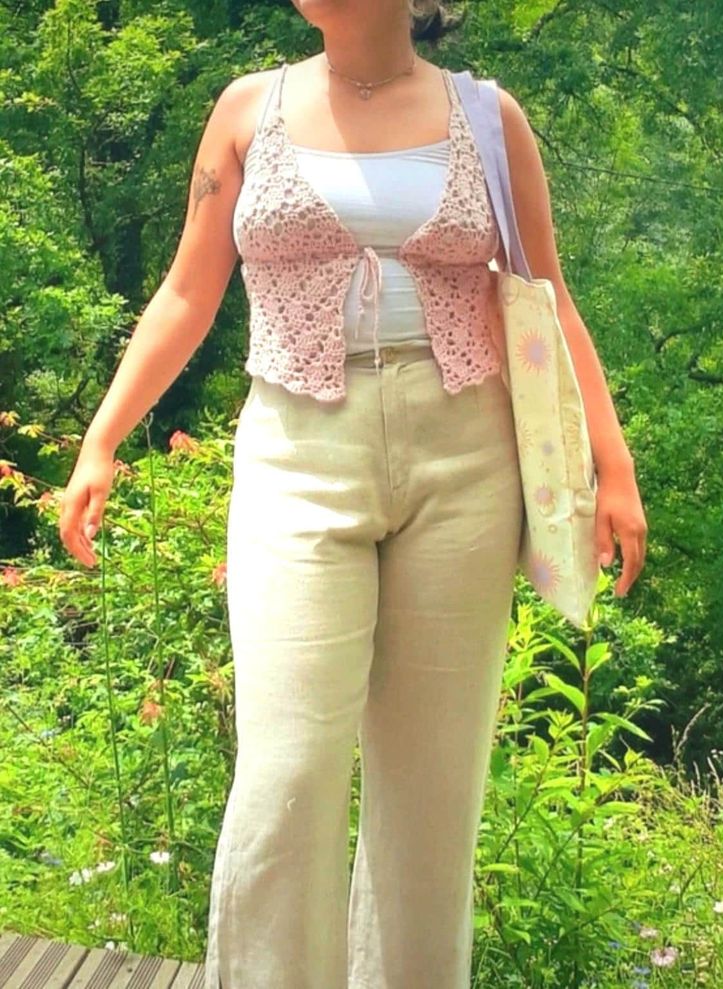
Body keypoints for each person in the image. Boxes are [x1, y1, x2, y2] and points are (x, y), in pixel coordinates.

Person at [59, 0, 648, 985]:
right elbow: (186, 291)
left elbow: (546, 292)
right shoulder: (250, 110)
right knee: (287, 774)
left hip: (466, 457)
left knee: (430, 796)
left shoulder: (488, 119)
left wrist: (611, 466)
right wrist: (102, 437)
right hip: (297, 451)